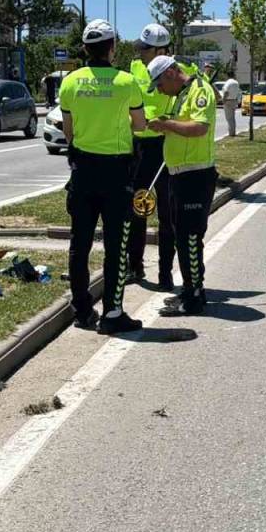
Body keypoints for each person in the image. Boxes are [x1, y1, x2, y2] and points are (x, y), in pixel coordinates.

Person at [60, 19, 147, 334]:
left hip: (83, 171)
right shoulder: (127, 82)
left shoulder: (70, 82)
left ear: (85, 49)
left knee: (78, 244)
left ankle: (82, 311)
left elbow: (68, 131)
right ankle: (113, 313)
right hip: (116, 173)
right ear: (112, 47)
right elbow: (139, 125)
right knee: (116, 246)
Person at [146, 56, 218, 316]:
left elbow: (199, 127)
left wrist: (165, 124)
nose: (161, 91)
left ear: (170, 74)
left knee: (189, 238)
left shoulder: (200, 90)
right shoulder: (181, 94)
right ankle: (189, 290)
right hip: (180, 173)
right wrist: (166, 124)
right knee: (182, 236)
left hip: (195, 175)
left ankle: (195, 297)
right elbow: (183, 125)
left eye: (160, 85)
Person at [127, 23, 179, 291]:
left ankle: (165, 273)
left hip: (165, 146)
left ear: (162, 50)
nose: (141, 53)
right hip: (139, 149)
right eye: (141, 48)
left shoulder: (178, 71)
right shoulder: (134, 68)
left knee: (167, 215)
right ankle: (134, 266)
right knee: (138, 208)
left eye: (146, 50)